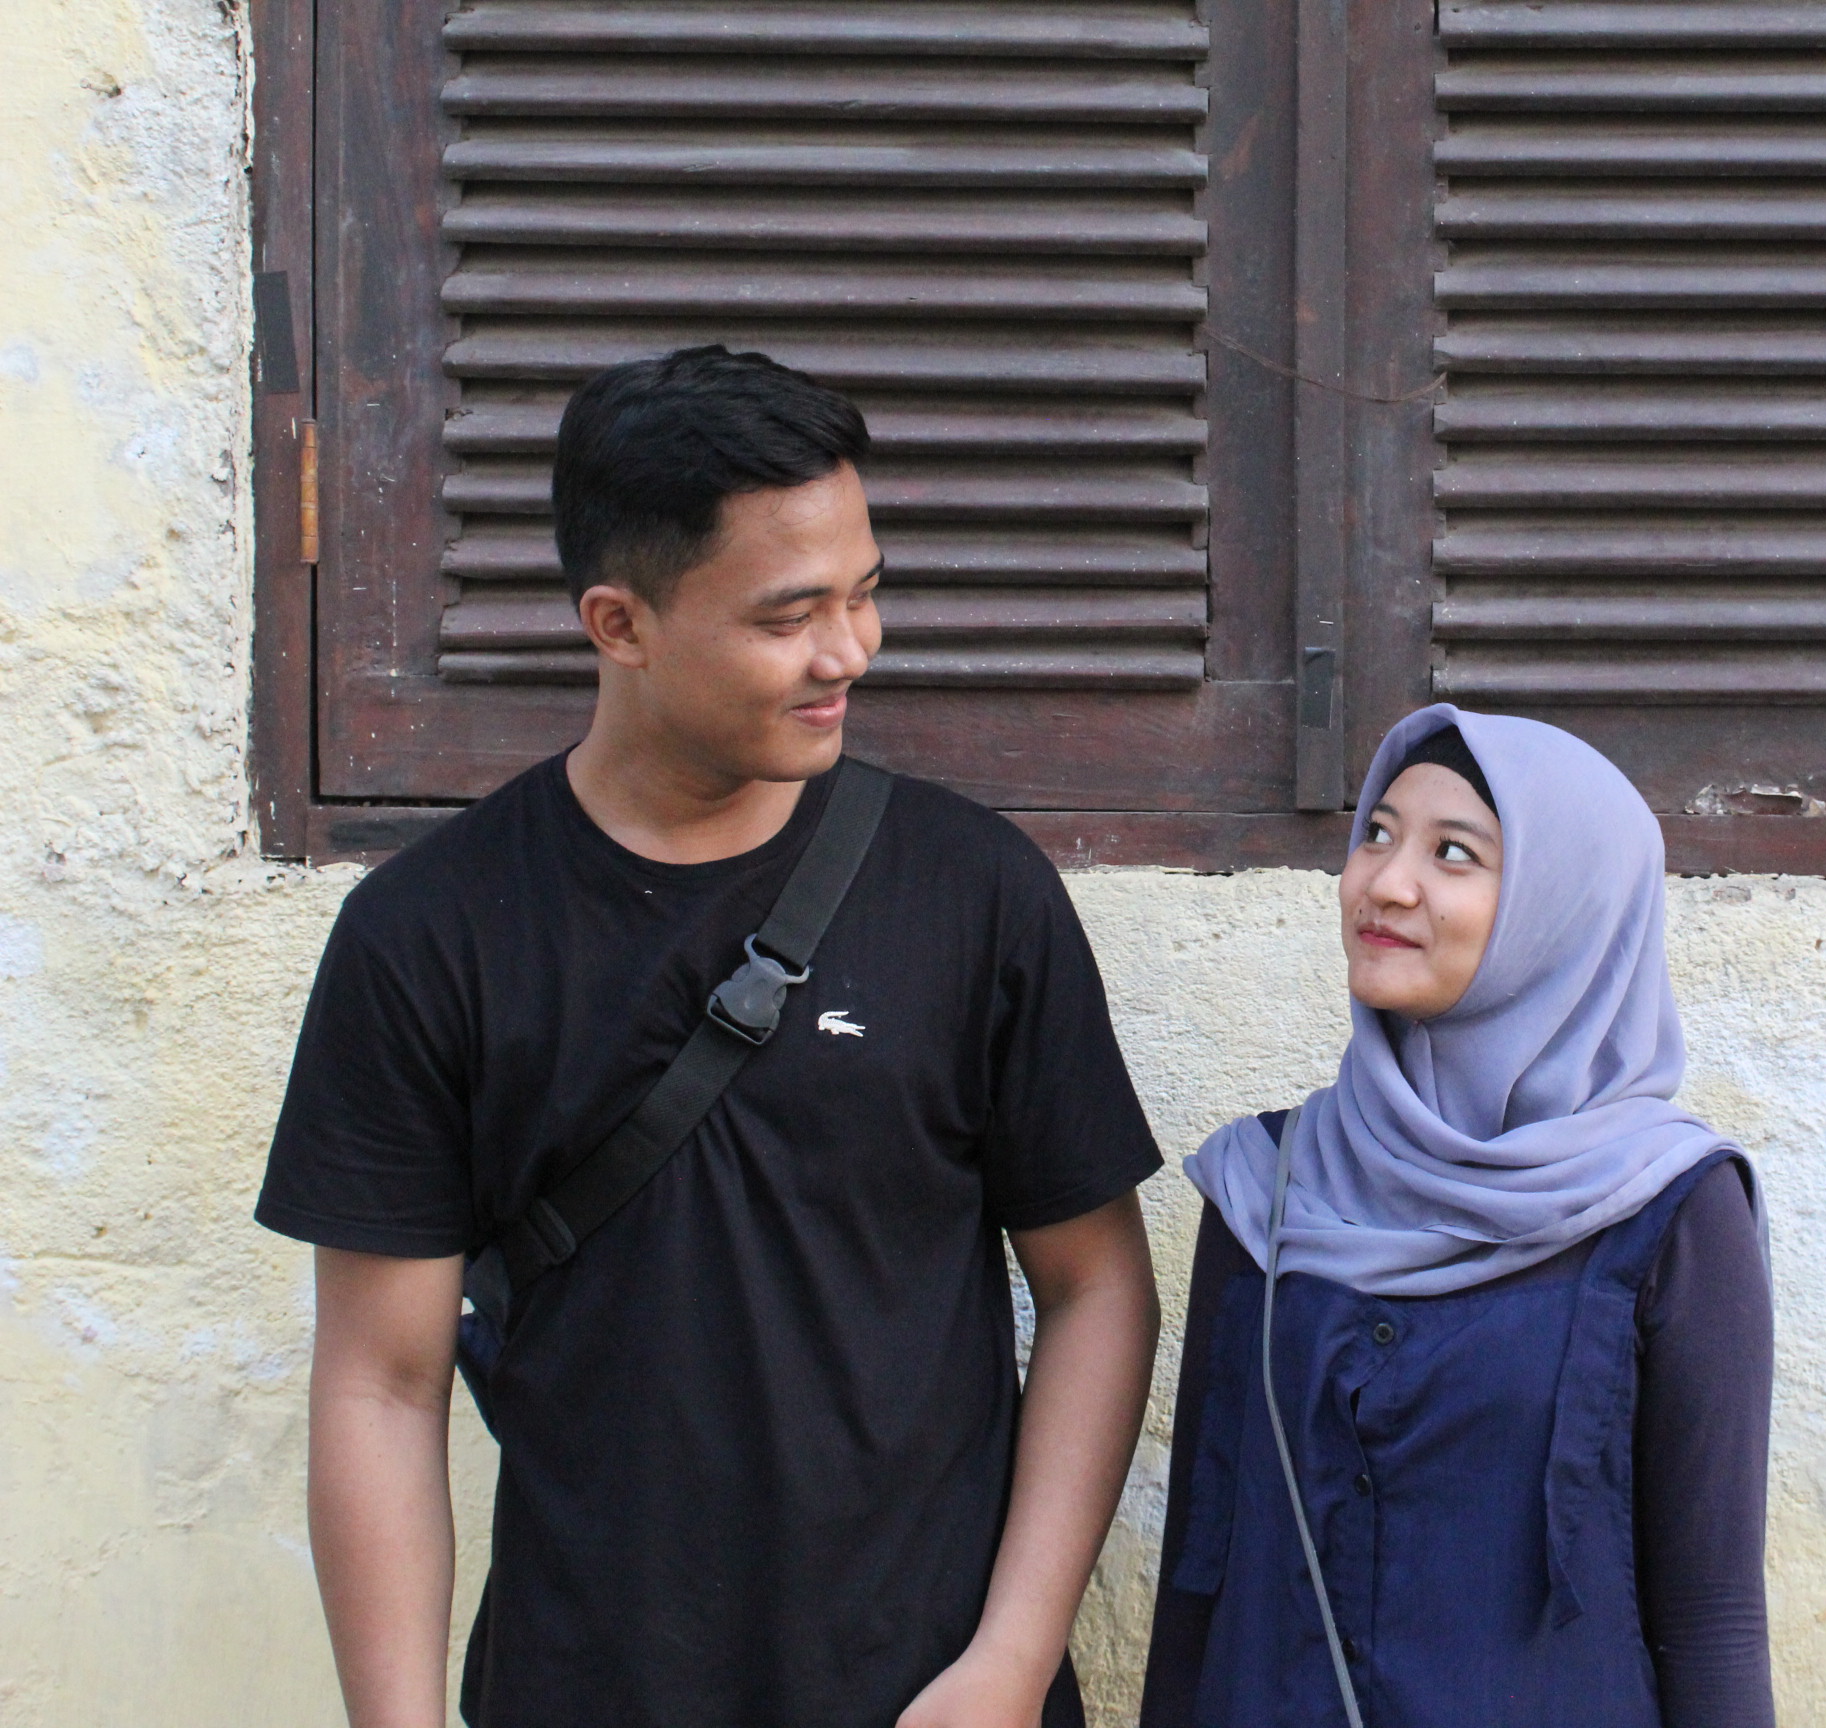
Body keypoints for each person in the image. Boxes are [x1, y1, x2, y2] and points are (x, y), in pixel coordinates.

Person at [256, 346, 1163, 1728]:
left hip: (932, 1696)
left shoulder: (974, 893)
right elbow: (383, 1382)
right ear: (619, 624)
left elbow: (1097, 1289)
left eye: (864, 593)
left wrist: (1011, 1662)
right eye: (791, 615)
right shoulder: (429, 936)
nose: (849, 651)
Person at [1140, 705, 1775, 1728]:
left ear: (1560, 910)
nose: (1386, 882)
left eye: (1453, 853)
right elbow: (1198, 1576)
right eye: (1377, 834)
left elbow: (1712, 1621)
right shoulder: (1269, 1186)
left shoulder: (1674, 1210)